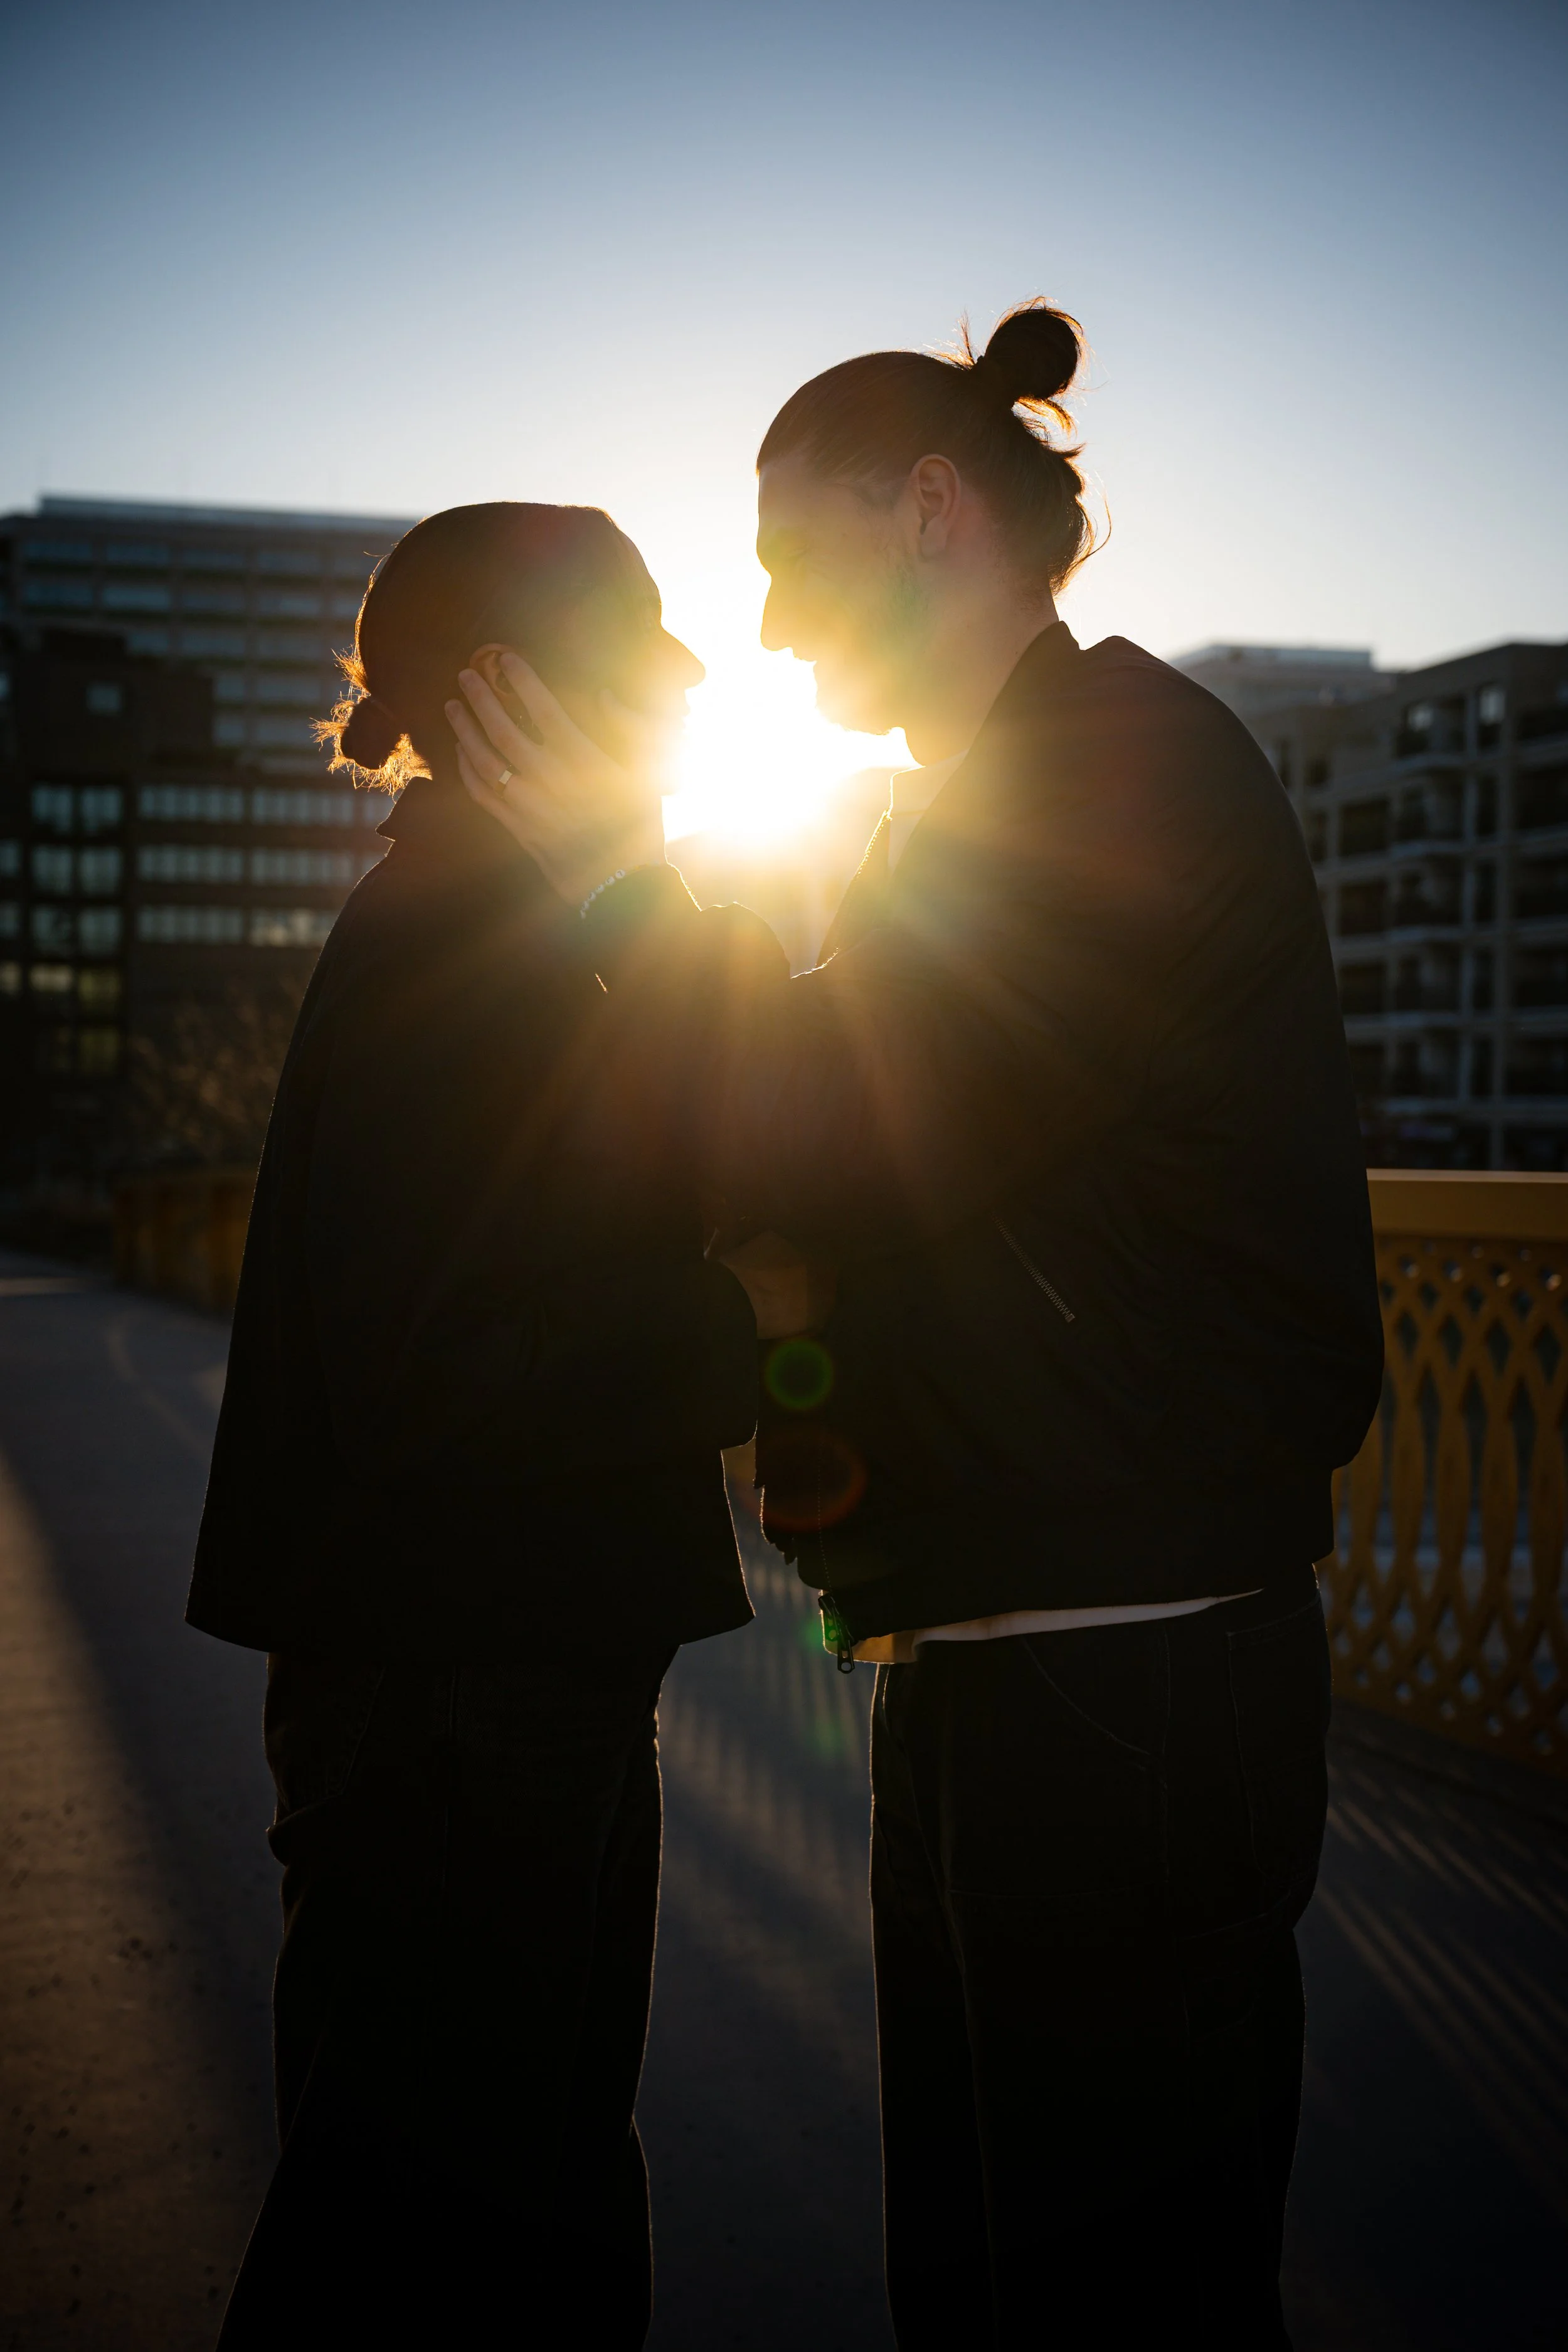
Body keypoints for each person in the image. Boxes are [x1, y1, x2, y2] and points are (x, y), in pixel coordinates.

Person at [449, 302, 1385, 2348]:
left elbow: (823, 1124)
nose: (772, 630)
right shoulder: (989, 799)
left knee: (1106, 2292)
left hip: (1124, 1675)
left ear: (932, 511)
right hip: (1010, 1649)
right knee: (988, 2282)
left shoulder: (1113, 771)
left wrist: (609, 877)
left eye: (791, 559)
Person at [186, 502, 762, 2348]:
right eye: (640, 636)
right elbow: (473, 1365)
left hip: (482, 1668)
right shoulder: (466, 953)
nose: (681, 675)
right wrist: (761, 1334)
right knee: (445, 2220)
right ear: (509, 685)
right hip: (462, 1680)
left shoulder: (492, 927)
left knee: (478, 2191)